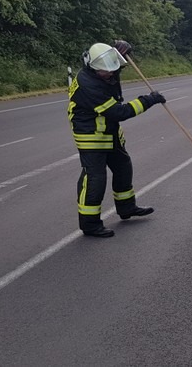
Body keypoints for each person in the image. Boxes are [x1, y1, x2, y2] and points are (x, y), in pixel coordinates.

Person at [68, 41, 166, 237]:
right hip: (90, 133)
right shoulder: (89, 85)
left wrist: (122, 53)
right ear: (93, 68)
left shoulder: (102, 70)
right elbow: (119, 112)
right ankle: (90, 224)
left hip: (108, 129)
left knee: (123, 166)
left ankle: (127, 208)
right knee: (95, 177)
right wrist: (149, 100)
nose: (111, 74)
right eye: (106, 72)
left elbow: (112, 72)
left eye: (112, 69)